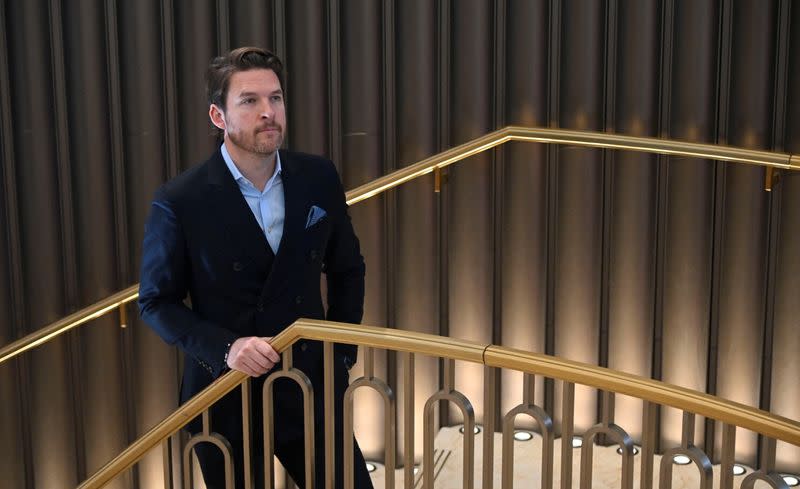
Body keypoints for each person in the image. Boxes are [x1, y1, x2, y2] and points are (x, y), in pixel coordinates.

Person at [138, 46, 374, 489]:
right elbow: (155, 301)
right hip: (224, 393)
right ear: (218, 116)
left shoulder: (318, 176)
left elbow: (347, 268)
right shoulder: (180, 200)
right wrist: (226, 349)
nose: (268, 112)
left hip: (309, 386)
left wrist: (340, 356)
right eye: (249, 101)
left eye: (276, 98)